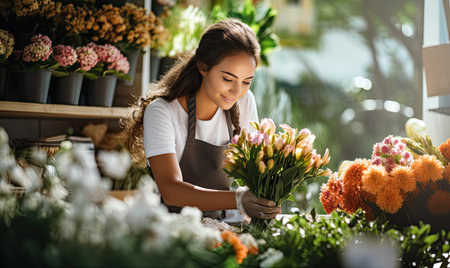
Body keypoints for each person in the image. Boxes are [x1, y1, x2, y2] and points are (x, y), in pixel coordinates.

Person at [122, 19, 278, 221]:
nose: (237, 91)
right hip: (175, 229)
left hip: (226, 226)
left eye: (246, 81)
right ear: (203, 67)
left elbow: (255, 171)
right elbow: (171, 190)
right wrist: (238, 199)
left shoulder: (244, 102)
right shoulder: (162, 112)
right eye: (228, 79)